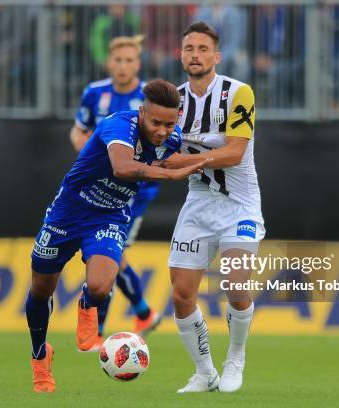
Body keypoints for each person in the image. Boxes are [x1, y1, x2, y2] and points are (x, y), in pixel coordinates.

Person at [26, 79, 208, 393]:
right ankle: (40, 355)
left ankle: (88, 304)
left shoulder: (172, 137)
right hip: (67, 212)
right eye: (155, 123)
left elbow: (172, 157)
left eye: (169, 123)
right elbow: (122, 167)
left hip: (109, 216)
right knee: (41, 290)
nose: (162, 131)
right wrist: (170, 173)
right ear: (141, 113)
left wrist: (205, 162)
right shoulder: (118, 124)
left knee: (100, 284)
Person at [160, 22, 265, 393]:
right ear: (181, 54)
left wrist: (186, 162)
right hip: (199, 204)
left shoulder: (239, 93)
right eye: (189, 48)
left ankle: (235, 357)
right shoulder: (172, 101)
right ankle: (205, 372)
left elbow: (235, 153)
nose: (195, 55)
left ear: (216, 56)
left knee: (236, 286)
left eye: (203, 49)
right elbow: (159, 152)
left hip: (240, 205)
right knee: (181, 293)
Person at [70, 35, 163, 351]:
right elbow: (78, 130)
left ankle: (100, 330)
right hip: (98, 188)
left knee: (110, 256)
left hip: (135, 193)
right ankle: (144, 313)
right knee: (112, 256)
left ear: (138, 64)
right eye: (118, 60)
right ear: (109, 62)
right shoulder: (95, 93)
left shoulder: (147, 97)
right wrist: (89, 153)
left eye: (129, 61)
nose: (123, 66)